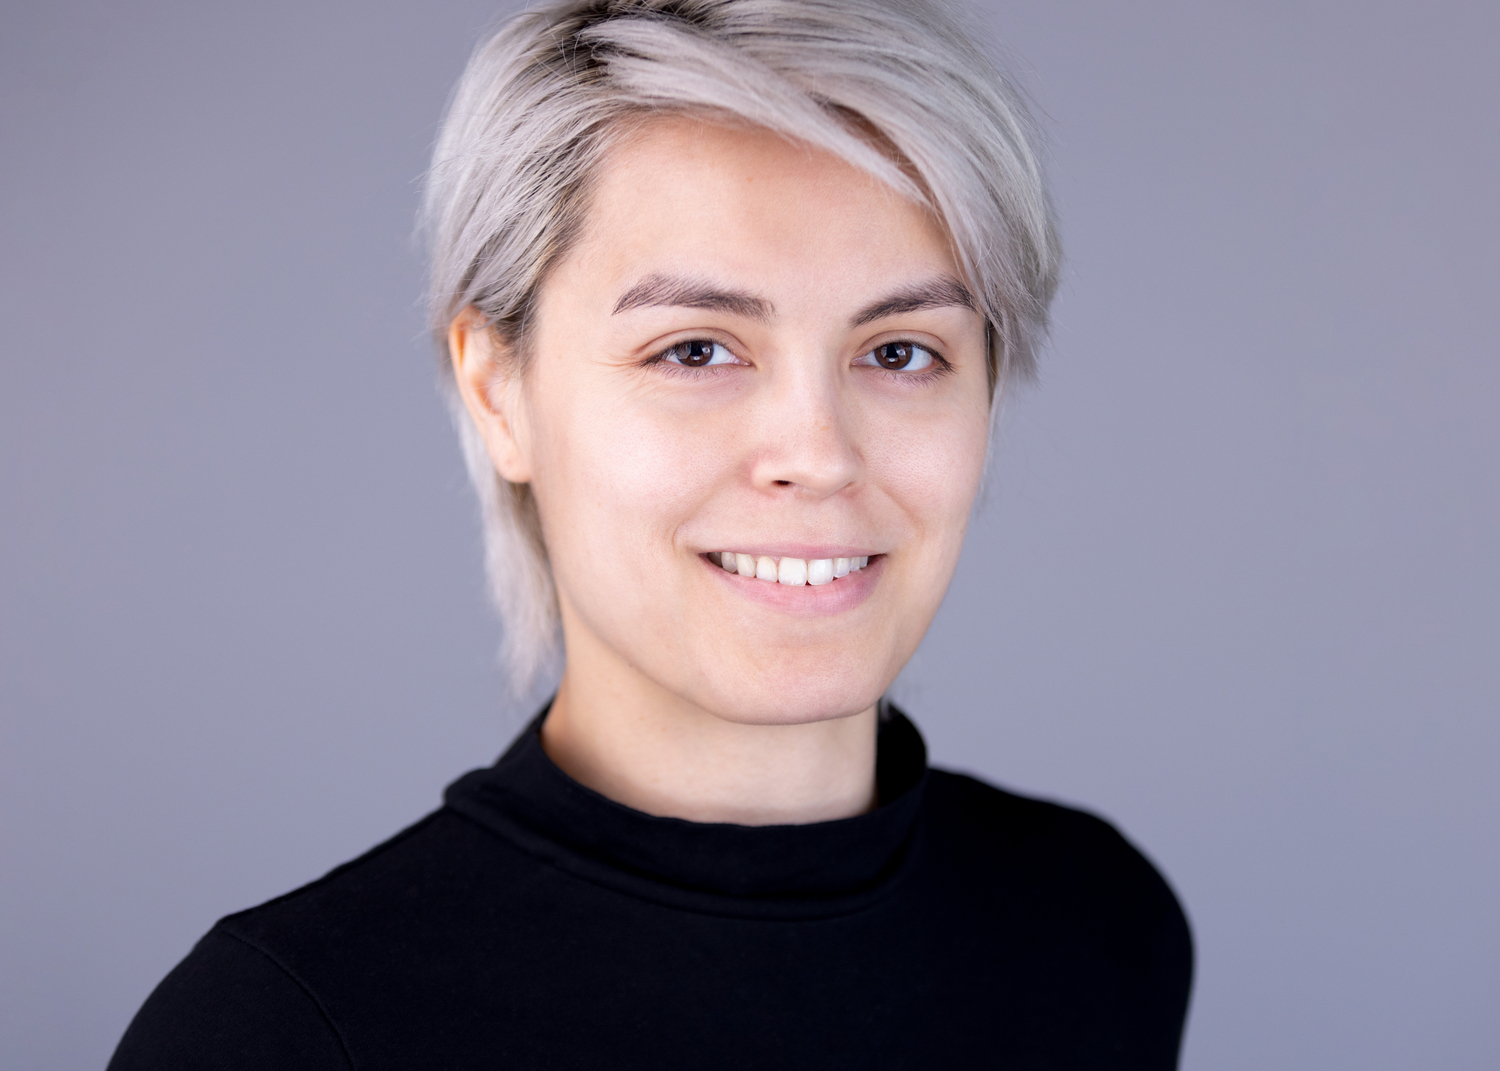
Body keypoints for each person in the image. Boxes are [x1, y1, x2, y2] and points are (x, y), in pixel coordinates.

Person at [109, 0, 1192, 1066]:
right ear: (498, 392)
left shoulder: (1098, 924)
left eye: (901, 351)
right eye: (695, 350)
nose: (818, 454)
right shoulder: (285, 1032)